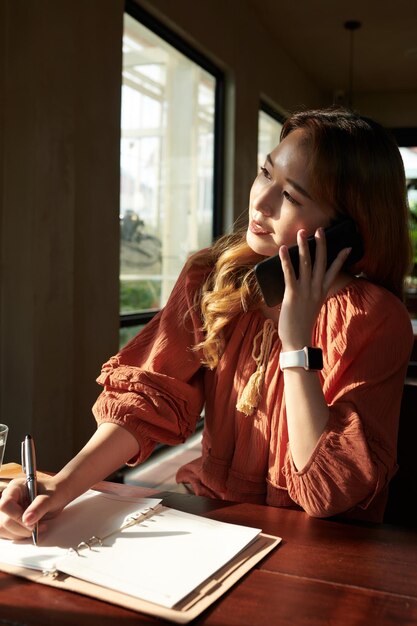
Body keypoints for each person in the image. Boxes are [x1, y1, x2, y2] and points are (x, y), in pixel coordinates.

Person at [0, 107, 414, 540]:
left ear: (345, 227)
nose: (261, 202)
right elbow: (150, 394)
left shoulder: (373, 320)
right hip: (216, 529)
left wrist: (295, 342)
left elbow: (327, 492)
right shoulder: (214, 278)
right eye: (265, 173)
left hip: (321, 552)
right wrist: (61, 484)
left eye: (291, 196)